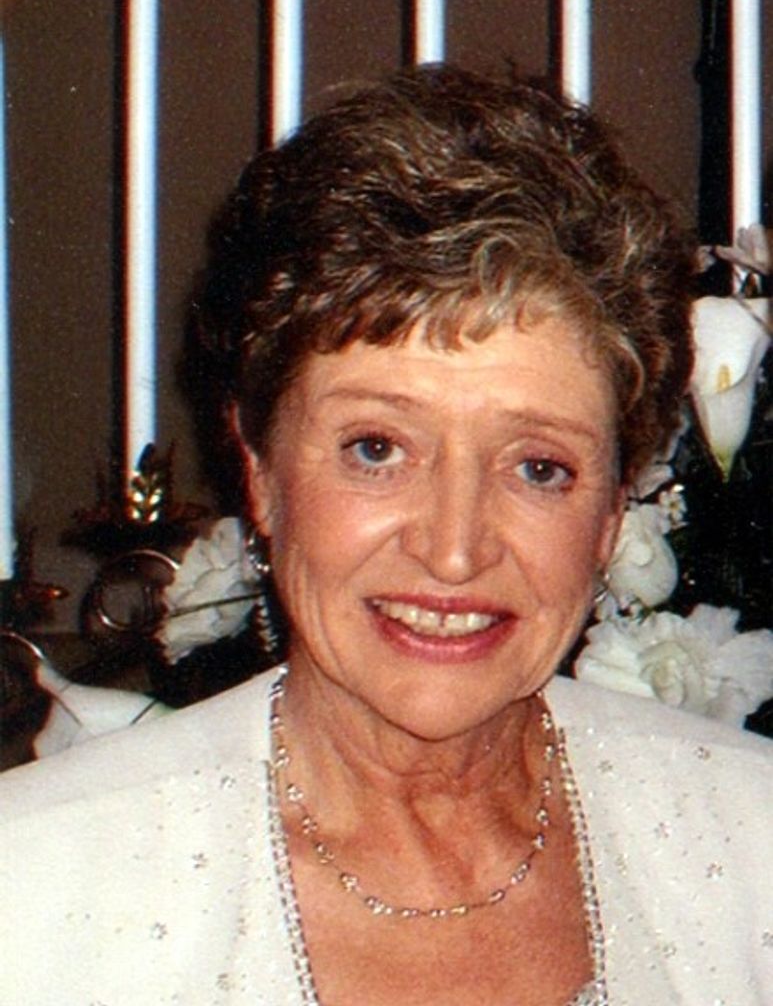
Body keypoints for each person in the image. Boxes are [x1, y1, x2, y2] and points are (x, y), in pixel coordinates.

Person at [1, 64, 771, 1006]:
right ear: (261, 471)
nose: (454, 550)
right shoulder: (31, 885)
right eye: (376, 449)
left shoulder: (752, 844)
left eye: (538, 467)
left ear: (613, 508)